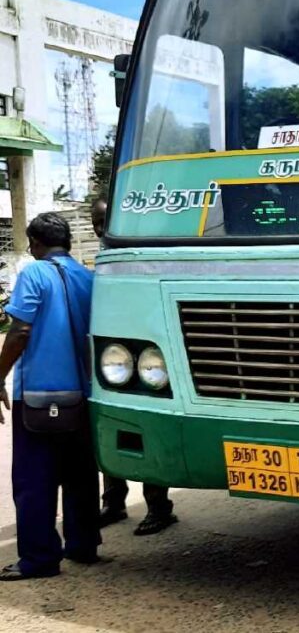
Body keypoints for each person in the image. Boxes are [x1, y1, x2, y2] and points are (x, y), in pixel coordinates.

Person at [0, 213, 100, 580]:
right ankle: (83, 544)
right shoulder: (88, 277)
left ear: (34, 243)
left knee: (34, 479)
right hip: (85, 395)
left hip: (41, 396)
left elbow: (20, 329)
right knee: (80, 473)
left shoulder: (34, 273)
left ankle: (39, 559)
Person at [90, 199, 177, 536]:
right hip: (115, 355)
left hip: (145, 351)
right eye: (96, 221)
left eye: (104, 220)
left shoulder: (137, 247)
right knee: (114, 430)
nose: (100, 227)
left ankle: (159, 507)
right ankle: (113, 503)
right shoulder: (100, 253)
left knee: (145, 433)